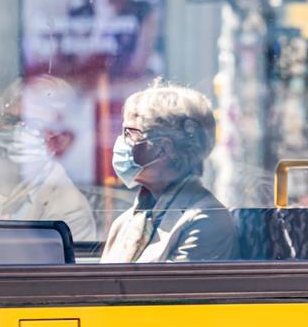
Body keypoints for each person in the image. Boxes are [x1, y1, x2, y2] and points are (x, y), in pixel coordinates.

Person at [100, 82, 238, 263]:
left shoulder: (206, 221)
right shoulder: (126, 222)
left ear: (164, 149)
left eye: (130, 133)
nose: (121, 142)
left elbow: (170, 290)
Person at [0, 75, 96, 241]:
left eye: (33, 122)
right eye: (11, 120)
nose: (18, 130)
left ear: (57, 134)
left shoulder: (70, 209)